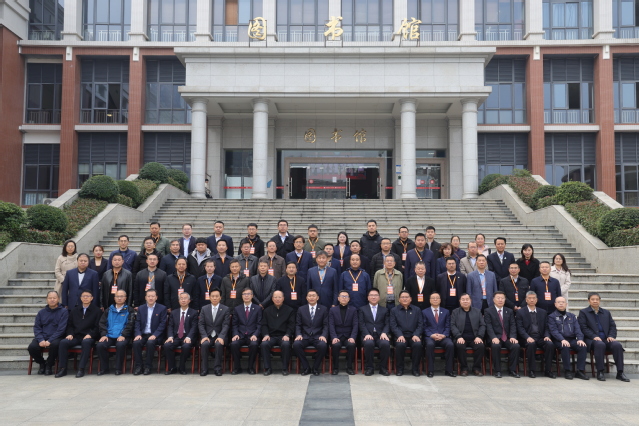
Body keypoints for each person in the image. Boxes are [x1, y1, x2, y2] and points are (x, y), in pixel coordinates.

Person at [578, 293, 630, 382]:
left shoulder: (606, 312)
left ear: (600, 301)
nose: (595, 301)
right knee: (600, 345)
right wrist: (593, 336)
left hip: (606, 338)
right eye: (592, 299)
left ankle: (620, 372)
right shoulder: (583, 312)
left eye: (597, 299)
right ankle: (600, 371)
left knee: (617, 345)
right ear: (588, 301)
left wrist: (611, 336)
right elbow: (583, 327)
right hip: (592, 340)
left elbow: (612, 326)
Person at [56, 290, 101, 378]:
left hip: (89, 336)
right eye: (83, 296)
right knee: (63, 342)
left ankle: (81, 368)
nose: (85, 298)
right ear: (80, 298)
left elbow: (98, 327)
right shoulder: (74, 310)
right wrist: (70, 334)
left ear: (92, 298)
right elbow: (70, 325)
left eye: (88, 296)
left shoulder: (97, 311)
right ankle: (62, 368)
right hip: (76, 336)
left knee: (86, 342)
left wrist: (91, 334)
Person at [516, 291, 557, 379]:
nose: (532, 300)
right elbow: (520, 328)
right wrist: (527, 337)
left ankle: (548, 370)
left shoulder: (543, 312)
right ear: (526, 300)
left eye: (533, 298)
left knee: (550, 344)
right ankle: (532, 370)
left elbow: (547, 326)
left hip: (540, 337)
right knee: (531, 344)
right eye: (530, 298)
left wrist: (547, 336)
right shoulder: (520, 312)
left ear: (537, 300)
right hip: (527, 337)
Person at [28, 291, 68, 375]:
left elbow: (61, 329)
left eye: (54, 298)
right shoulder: (41, 312)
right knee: (32, 347)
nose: (52, 300)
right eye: (50, 298)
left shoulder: (64, 311)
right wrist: (41, 339)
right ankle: (42, 363)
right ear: (46, 299)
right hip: (43, 336)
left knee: (55, 345)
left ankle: (49, 365)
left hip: (57, 337)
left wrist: (50, 340)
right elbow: (37, 328)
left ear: (58, 299)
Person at [548, 297, 589, 380]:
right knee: (565, 346)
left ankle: (580, 371)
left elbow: (577, 329)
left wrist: (580, 339)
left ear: (566, 304)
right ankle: (567, 371)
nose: (561, 303)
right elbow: (554, 331)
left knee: (582, 346)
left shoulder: (572, 316)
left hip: (572, 339)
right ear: (555, 304)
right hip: (558, 340)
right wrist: (562, 339)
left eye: (563, 302)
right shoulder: (551, 316)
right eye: (559, 302)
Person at [96, 289, 135, 375]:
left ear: (125, 298)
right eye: (117, 296)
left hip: (123, 336)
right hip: (109, 335)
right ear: (114, 298)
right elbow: (102, 323)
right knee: (100, 345)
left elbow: (130, 324)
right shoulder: (109, 310)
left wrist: (124, 335)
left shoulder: (129, 310)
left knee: (120, 345)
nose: (119, 298)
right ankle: (104, 368)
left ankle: (118, 369)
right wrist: (104, 334)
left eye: (121, 296)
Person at [484, 291, 520, 378]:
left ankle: (512, 370)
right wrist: (493, 337)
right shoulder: (488, 311)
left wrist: (513, 337)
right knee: (495, 346)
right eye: (498, 298)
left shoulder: (509, 311)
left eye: (502, 298)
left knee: (516, 346)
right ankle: (498, 371)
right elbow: (488, 326)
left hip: (507, 338)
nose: (500, 300)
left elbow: (513, 325)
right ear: (493, 300)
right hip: (495, 338)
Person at [293, 289, 329, 376]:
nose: (311, 297)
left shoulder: (323, 309)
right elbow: (298, 324)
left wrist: (323, 335)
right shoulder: (301, 309)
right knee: (296, 344)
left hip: (318, 336)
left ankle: (315, 368)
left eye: (313, 296)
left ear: (317, 297)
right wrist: (298, 334)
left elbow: (326, 325)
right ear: (306, 298)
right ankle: (306, 367)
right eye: (309, 296)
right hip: (304, 336)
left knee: (323, 345)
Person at [132, 289, 167, 375]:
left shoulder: (162, 308)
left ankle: (148, 366)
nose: (151, 298)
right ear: (145, 297)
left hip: (156, 335)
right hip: (143, 334)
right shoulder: (141, 308)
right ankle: (139, 366)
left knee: (150, 343)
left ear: (156, 297)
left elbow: (163, 324)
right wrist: (138, 334)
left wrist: (155, 335)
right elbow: (137, 323)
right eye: (149, 296)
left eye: (153, 296)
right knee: (136, 343)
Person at [261, 290, 296, 376]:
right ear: (272, 299)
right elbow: (264, 325)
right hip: (271, 336)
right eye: (275, 297)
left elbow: (291, 325)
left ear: (283, 298)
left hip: (283, 336)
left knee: (286, 344)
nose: (277, 299)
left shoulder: (289, 310)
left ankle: (285, 368)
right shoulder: (267, 311)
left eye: (279, 297)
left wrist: (287, 335)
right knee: (264, 344)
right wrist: (266, 334)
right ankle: (268, 368)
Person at [451, 293, 486, 377]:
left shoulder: (477, 311)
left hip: (475, 338)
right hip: (461, 337)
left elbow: (482, 325)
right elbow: (452, 325)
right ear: (460, 301)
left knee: (480, 346)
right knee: (460, 346)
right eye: (463, 300)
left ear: (471, 301)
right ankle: (464, 368)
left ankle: (476, 368)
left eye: (467, 299)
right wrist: (458, 336)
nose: (465, 301)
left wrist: (479, 336)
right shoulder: (455, 312)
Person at [163, 292, 198, 375]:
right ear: (178, 301)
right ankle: (172, 367)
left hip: (187, 336)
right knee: (167, 345)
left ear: (189, 300)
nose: (183, 300)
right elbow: (170, 326)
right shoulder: (174, 312)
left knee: (186, 346)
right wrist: (170, 336)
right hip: (176, 337)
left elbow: (194, 327)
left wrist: (189, 337)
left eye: (185, 298)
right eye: (181, 298)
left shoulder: (194, 312)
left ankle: (182, 367)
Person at [390, 291, 423, 377]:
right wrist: (399, 335)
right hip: (400, 336)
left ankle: (415, 369)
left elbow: (420, 324)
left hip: (413, 336)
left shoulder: (417, 310)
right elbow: (393, 325)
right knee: (400, 345)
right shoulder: (394, 310)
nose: (405, 299)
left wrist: (416, 334)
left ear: (410, 299)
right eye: (402, 297)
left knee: (418, 345)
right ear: (399, 299)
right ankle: (400, 369)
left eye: (407, 297)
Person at [230, 288, 262, 375]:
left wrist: (255, 335)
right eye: (244, 294)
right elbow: (235, 324)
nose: (246, 296)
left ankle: (250, 367)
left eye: (248, 294)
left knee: (254, 344)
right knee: (234, 344)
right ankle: (237, 367)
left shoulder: (258, 308)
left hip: (252, 335)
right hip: (240, 335)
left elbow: (259, 324)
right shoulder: (237, 309)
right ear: (242, 296)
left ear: (252, 296)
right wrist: (235, 334)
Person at [359, 288, 391, 376]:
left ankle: (383, 368)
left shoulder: (384, 310)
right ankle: (369, 368)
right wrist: (366, 334)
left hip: (380, 335)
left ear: (379, 297)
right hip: (367, 335)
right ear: (368, 297)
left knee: (385, 344)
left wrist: (384, 333)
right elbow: (361, 324)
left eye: (376, 295)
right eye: (371, 295)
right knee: (369, 343)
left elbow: (387, 324)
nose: (374, 297)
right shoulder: (362, 309)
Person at [198, 288, 230, 376]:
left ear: (220, 297)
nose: (215, 298)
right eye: (212, 296)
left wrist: (221, 337)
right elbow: (201, 324)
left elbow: (226, 325)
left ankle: (218, 369)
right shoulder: (204, 309)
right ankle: (204, 369)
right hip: (207, 336)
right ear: (209, 297)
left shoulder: (225, 309)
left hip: (219, 335)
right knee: (204, 344)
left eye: (217, 296)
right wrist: (204, 336)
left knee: (218, 344)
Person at [422, 293, 455, 377]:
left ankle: (449, 370)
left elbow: (448, 326)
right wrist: (431, 335)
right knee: (429, 345)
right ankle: (430, 370)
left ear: (440, 300)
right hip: (430, 337)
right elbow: (424, 326)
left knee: (450, 344)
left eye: (437, 298)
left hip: (443, 337)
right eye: (433, 298)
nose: (435, 299)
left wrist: (444, 335)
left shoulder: (446, 311)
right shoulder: (424, 312)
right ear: (430, 300)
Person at [329, 291, 359, 376]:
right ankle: (335, 368)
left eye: (346, 296)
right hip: (337, 336)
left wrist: (353, 337)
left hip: (348, 336)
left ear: (349, 299)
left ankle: (349, 367)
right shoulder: (332, 310)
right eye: (342, 296)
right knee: (335, 345)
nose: (344, 298)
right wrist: (334, 337)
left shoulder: (353, 310)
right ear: (338, 298)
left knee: (351, 345)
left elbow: (355, 325)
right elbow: (331, 325)